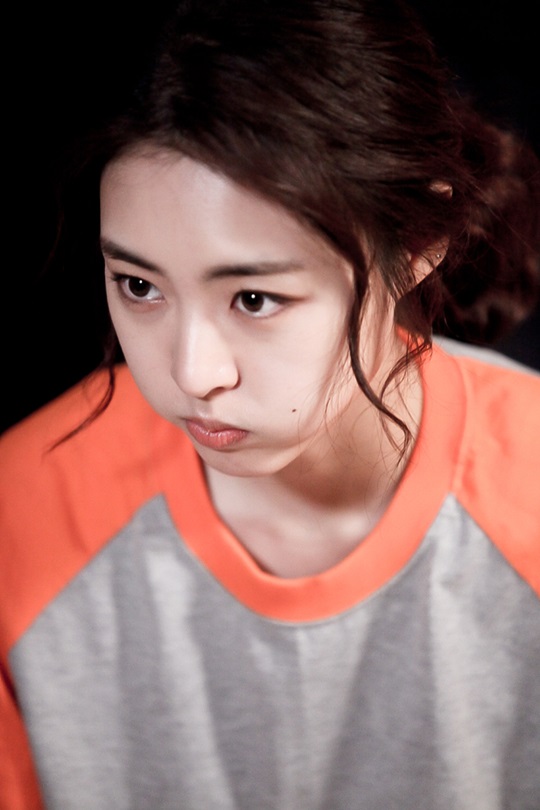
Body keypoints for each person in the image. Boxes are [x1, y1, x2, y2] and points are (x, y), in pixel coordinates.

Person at [1, 0, 539, 807]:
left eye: (254, 298)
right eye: (139, 286)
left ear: (419, 245)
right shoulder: (21, 516)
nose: (193, 372)